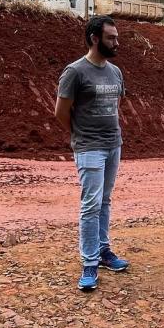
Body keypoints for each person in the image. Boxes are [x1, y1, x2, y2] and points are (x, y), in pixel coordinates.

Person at [54, 15, 130, 292]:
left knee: (105, 200)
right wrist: (80, 135)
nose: (116, 42)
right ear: (94, 38)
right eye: (111, 37)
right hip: (89, 147)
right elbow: (61, 112)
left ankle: (103, 251)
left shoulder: (116, 72)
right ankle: (89, 262)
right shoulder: (75, 72)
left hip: (113, 144)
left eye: (116, 37)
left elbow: (117, 105)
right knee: (90, 204)